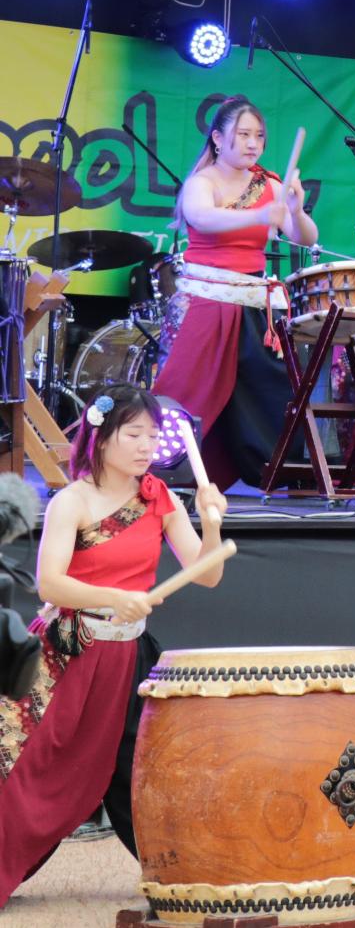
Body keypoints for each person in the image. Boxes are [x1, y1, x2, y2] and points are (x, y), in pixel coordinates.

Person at [0, 387, 229, 905]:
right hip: (65, 653)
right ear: (102, 439)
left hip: (127, 658)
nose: (147, 445)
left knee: (137, 770)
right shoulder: (71, 502)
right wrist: (112, 597)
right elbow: (50, 584)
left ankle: (177, 877)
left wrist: (212, 524)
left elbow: (207, 574)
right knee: (23, 762)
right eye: (134, 435)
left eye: (153, 435)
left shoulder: (159, 498)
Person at [151, 95, 318, 487]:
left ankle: (264, 470)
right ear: (217, 138)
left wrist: (295, 209)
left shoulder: (270, 184)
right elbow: (201, 218)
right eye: (243, 134)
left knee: (264, 394)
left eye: (258, 136)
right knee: (187, 392)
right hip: (204, 304)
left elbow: (306, 237)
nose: (252, 143)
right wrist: (261, 215)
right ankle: (162, 467)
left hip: (252, 306)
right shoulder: (202, 182)